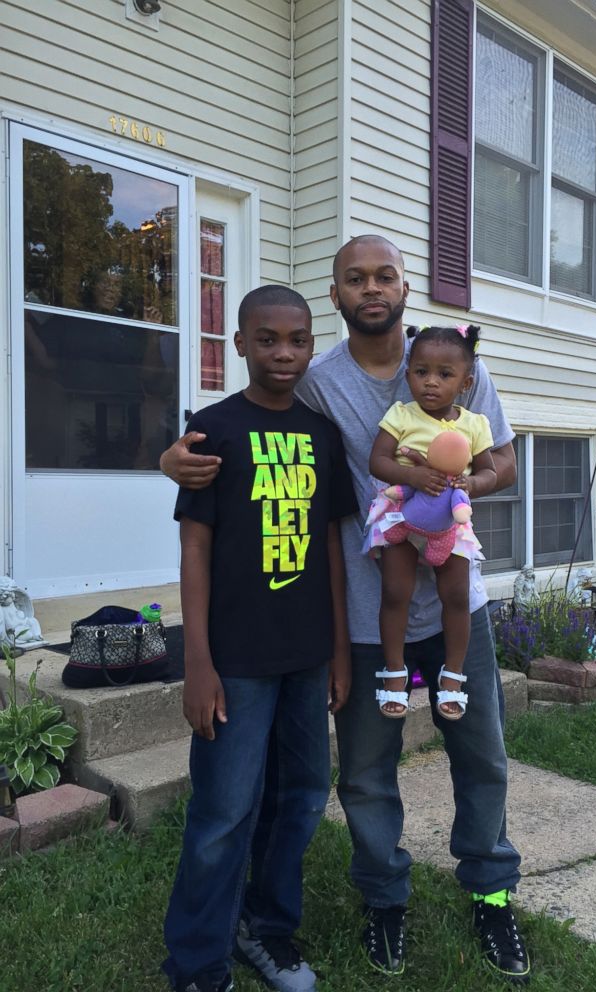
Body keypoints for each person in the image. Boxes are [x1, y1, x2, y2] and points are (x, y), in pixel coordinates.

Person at [161, 236, 531, 986]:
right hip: (367, 614)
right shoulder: (319, 381)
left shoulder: (455, 360)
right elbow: (241, 428)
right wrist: (167, 459)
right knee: (364, 772)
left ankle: (491, 890)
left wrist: (449, 491)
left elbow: (506, 461)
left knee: (482, 754)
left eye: (384, 276)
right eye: (355, 278)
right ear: (336, 295)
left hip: (461, 601)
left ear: (404, 286)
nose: (372, 288)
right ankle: (383, 898)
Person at [161, 284, 358, 992]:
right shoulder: (211, 429)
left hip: (307, 657)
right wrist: (198, 661)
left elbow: (332, 549)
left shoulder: (323, 435)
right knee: (223, 813)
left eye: (297, 339)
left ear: (312, 344)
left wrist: (337, 650)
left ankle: (266, 929)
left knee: (301, 796)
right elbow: (195, 550)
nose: (283, 352)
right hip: (235, 663)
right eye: (267, 339)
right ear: (239, 343)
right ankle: (195, 963)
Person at [365, 323, 498, 720]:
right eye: (421, 372)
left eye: (445, 374)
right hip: (403, 516)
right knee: (395, 592)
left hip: (449, 524)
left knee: (456, 596)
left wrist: (470, 483)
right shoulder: (401, 415)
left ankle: (453, 677)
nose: (431, 383)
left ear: (466, 382)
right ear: (408, 375)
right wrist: (413, 476)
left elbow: (491, 472)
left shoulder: (474, 424)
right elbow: (378, 461)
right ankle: (393, 674)